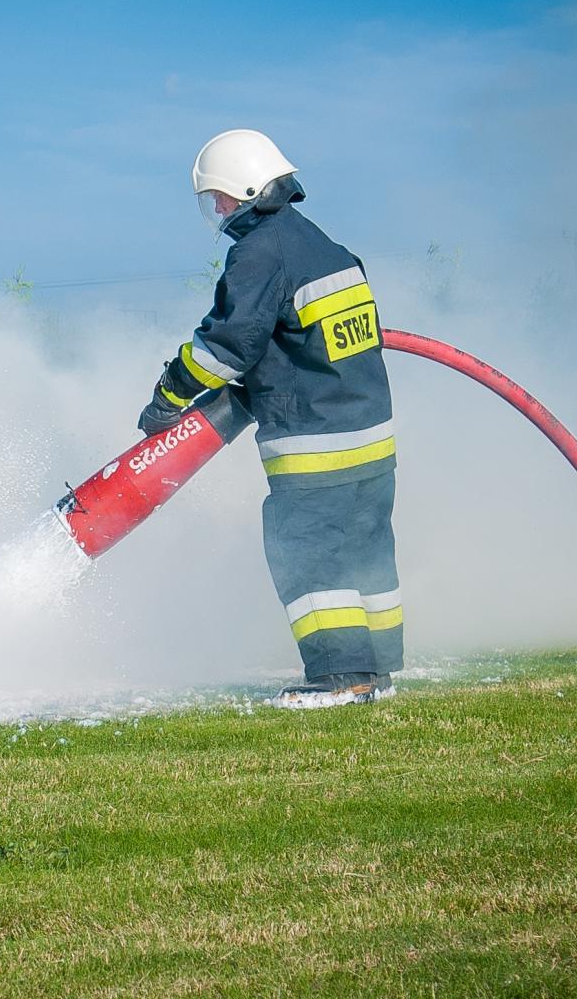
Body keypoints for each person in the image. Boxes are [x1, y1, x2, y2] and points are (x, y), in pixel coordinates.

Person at [138, 130, 401, 705]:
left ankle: (341, 677)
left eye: (222, 199)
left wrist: (168, 396)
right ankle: (375, 669)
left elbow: (225, 346)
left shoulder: (259, 254)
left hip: (316, 442)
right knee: (365, 548)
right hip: (371, 439)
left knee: (304, 547)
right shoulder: (323, 246)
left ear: (249, 190)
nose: (219, 211)